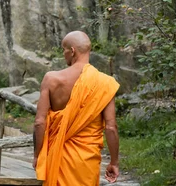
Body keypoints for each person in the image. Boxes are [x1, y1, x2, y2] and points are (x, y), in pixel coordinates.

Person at [32, 31, 120, 186]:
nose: (63, 54)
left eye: (63, 50)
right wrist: (114, 162)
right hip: (86, 160)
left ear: (72, 51)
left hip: (58, 156)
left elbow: (40, 122)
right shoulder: (104, 83)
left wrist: (37, 155)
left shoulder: (51, 79)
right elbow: (111, 127)